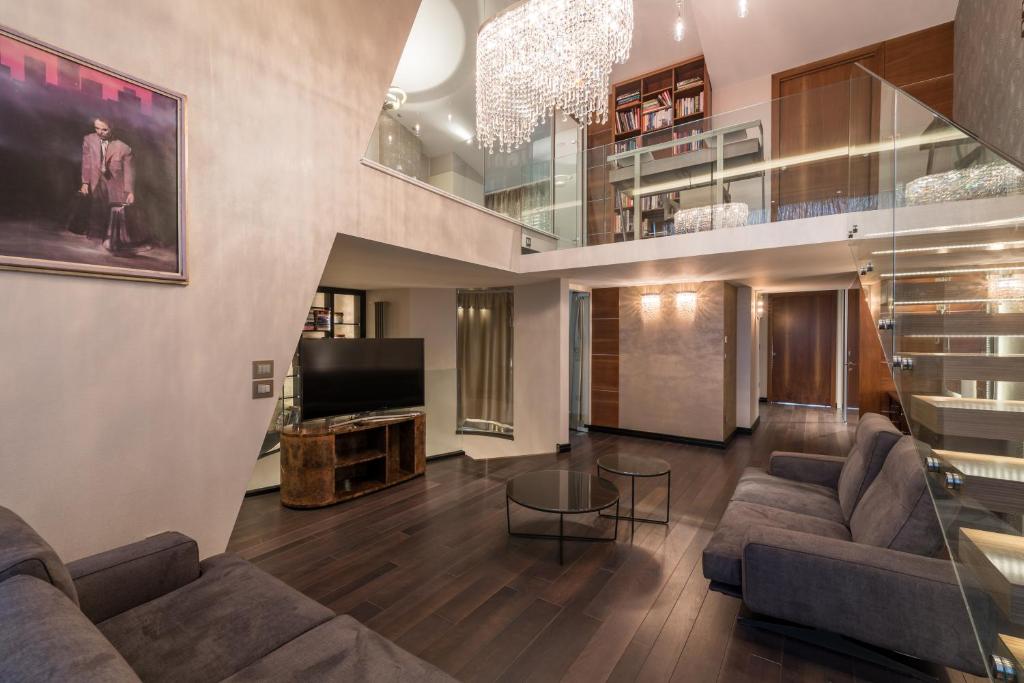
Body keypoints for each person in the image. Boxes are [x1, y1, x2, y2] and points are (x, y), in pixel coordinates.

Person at [78, 117, 136, 248]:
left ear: (112, 128)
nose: (99, 132)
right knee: (96, 207)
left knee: (114, 212)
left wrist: (130, 191)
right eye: (97, 128)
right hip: (96, 180)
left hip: (115, 183)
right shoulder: (89, 140)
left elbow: (129, 172)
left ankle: (112, 239)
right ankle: (96, 236)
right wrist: (85, 182)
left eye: (104, 129)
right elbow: (86, 163)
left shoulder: (124, 148)